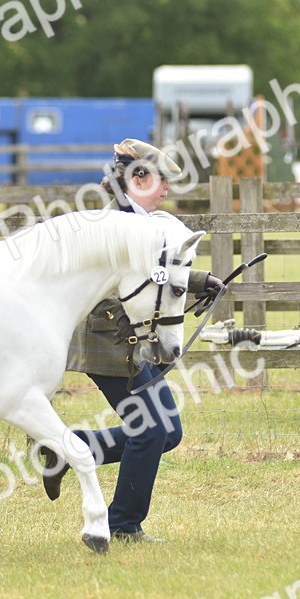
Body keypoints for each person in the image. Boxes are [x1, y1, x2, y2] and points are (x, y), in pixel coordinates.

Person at [39, 139, 223, 543]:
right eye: (161, 180)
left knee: (168, 434)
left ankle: (72, 446)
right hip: (110, 342)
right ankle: (122, 524)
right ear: (137, 178)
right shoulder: (112, 225)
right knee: (151, 432)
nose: (168, 189)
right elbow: (109, 284)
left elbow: (154, 273)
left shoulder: (141, 223)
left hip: (141, 341)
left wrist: (199, 281)